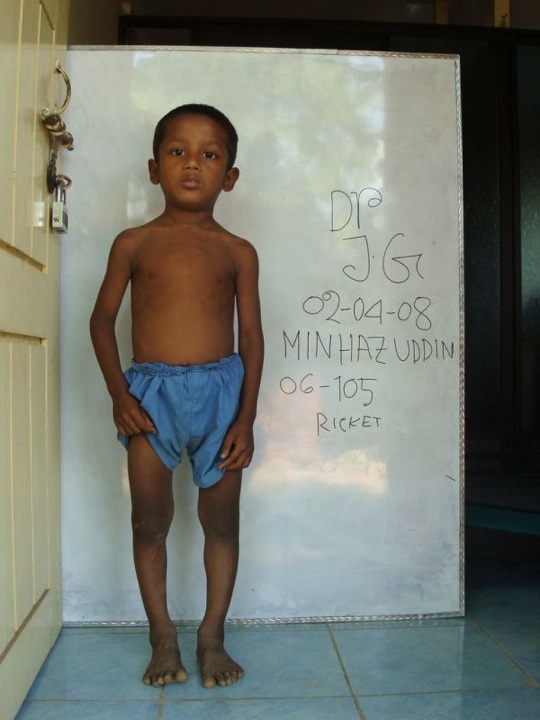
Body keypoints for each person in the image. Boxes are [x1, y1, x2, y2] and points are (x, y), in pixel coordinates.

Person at [89, 103, 264, 690]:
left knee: (222, 522)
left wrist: (246, 417)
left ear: (229, 176)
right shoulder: (133, 243)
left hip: (222, 397)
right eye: (177, 152)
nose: (193, 163)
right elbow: (100, 321)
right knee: (149, 521)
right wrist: (119, 395)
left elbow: (252, 337)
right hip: (151, 398)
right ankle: (161, 635)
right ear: (153, 168)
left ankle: (212, 636)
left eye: (209, 154)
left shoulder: (238, 251)